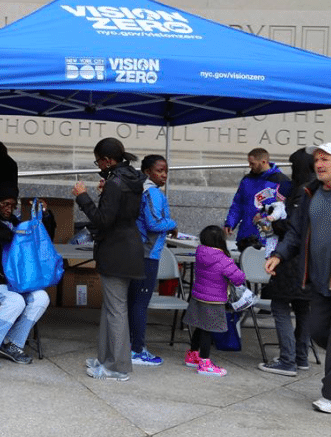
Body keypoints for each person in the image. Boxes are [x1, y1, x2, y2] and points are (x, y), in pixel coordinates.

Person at [265, 142, 331, 413]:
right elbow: (295, 231)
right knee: (317, 331)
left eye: (326, 159)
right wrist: (279, 255)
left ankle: (329, 395)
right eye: (317, 159)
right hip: (318, 281)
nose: (320, 164)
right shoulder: (309, 192)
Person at [73, 137, 145, 381]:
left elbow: (103, 220)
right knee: (111, 308)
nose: (99, 165)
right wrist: (107, 195)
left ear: (106, 160)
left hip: (117, 251)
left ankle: (118, 367)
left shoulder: (116, 181)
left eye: (99, 161)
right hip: (127, 248)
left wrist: (83, 197)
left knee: (116, 310)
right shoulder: (130, 177)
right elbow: (125, 211)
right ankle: (106, 358)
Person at [0, 182, 51, 369]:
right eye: (4, 204)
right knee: (16, 301)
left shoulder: (16, 223)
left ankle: (12, 343)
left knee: (41, 298)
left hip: (17, 282)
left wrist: (43, 215)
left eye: (12, 205)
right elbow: (2, 236)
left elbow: (42, 236)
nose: (9, 209)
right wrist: (25, 232)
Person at [258, 147, 313, 377]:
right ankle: (301, 357)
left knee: (280, 307)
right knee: (302, 309)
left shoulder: (303, 191)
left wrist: (271, 225)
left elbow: (294, 229)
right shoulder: (314, 189)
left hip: (292, 260)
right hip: (307, 261)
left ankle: (288, 360)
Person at [129, 154, 178, 368]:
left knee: (133, 302)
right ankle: (137, 349)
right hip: (147, 254)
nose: (164, 175)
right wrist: (173, 223)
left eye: (166, 171)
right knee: (140, 303)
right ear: (148, 171)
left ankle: (131, 345)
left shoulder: (141, 189)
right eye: (160, 170)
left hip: (138, 252)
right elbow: (154, 224)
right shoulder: (151, 192)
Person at [184, 226, 246, 377]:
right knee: (208, 329)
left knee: (200, 326)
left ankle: (192, 354)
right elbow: (239, 278)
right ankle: (205, 362)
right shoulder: (223, 259)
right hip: (214, 300)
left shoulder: (201, 252)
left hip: (198, 296)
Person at [224, 147, 291, 251]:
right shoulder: (247, 179)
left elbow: (285, 211)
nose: (249, 166)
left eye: (253, 163)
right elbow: (237, 204)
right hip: (245, 234)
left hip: (268, 236)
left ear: (263, 162)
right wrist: (230, 223)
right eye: (249, 163)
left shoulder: (281, 181)